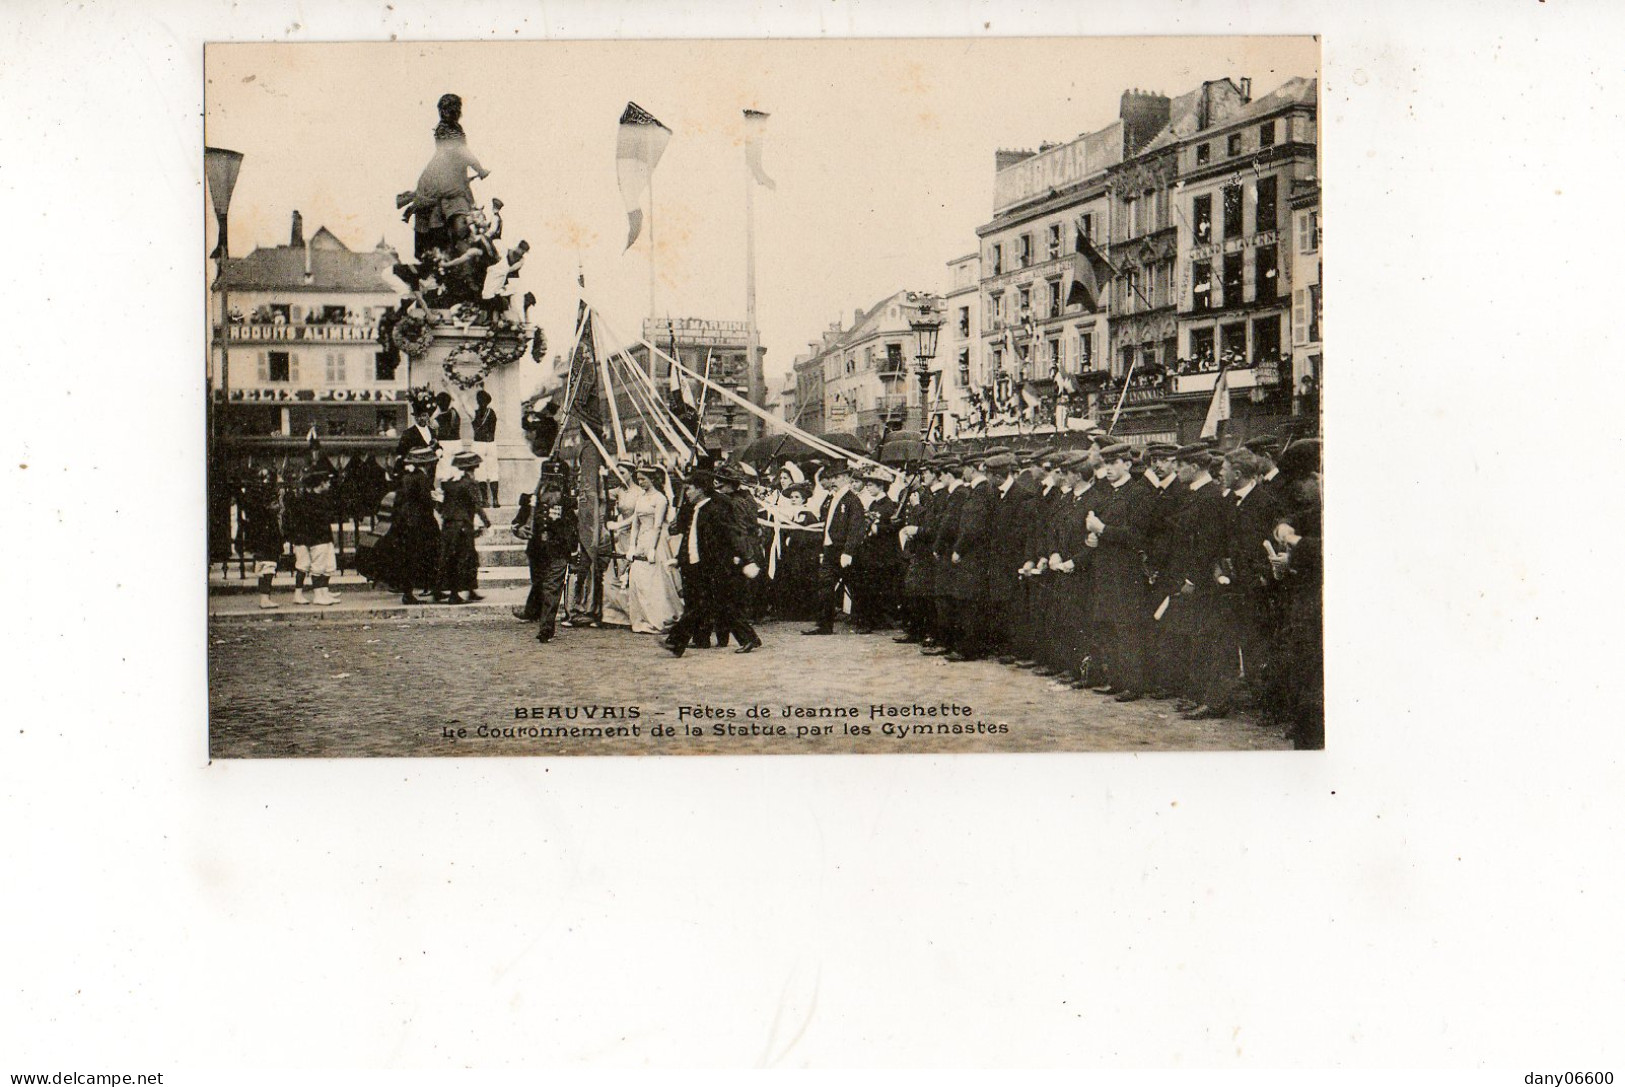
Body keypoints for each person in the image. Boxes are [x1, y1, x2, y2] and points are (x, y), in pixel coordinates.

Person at [1083, 443, 1156, 701]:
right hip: (1106, 572)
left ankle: (1133, 684)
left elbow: (1137, 536)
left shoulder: (1138, 494)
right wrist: (1093, 539)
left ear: (1127, 464)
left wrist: (1102, 530)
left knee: (1127, 629)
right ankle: (1116, 680)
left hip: (1126, 574)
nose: (1110, 469)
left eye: (1115, 463)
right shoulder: (1108, 494)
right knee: (1108, 627)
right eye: (1106, 464)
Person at [664, 469, 741, 657]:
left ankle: (677, 641)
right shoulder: (695, 507)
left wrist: (740, 556)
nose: (687, 492)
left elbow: (730, 534)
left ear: (700, 488)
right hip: (697, 562)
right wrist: (681, 558)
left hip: (712, 564)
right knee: (702, 605)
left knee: (707, 605)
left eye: (689, 488)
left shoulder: (716, 507)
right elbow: (688, 535)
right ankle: (690, 640)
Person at [512, 458, 578, 643]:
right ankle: (534, 613)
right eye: (548, 477)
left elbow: (573, 527)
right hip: (537, 550)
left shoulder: (568, 502)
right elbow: (517, 523)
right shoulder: (530, 500)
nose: (552, 483)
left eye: (556, 478)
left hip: (558, 550)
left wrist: (573, 551)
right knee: (540, 583)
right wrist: (519, 529)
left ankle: (546, 628)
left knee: (552, 588)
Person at [803, 462, 864, 636]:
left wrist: (848, 551)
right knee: (825, 585)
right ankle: (824, 624)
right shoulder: (832, 499)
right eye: (832, 478)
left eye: (837, 477)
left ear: (846, 478)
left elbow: (856, 528)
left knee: (855, 586)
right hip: (830, 549)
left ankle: (864, 621)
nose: (833, 481)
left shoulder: (853, 501)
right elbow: (827, 523)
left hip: (843, 551)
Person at [623, 464, 683, 635]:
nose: (641, 482)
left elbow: (657, 526)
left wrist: (651, 549)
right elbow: (635, 523)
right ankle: (641, 619)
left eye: (643, 479)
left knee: (655, 580)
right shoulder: (641, 498)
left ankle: (659, 618)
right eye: (639, 479)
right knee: (638, 580)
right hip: (642, 538)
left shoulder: (660, 499)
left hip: (655, 541)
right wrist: (632, 546)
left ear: (652, 479)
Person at [379, 447, 443, 604]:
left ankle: (417, 591)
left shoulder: (407, 477)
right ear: (427, 464)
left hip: (406, 522)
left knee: (410, 557)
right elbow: (426, 501)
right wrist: (436, 499)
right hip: (421, 523)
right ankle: (427, 590)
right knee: (428, 555)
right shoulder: (421, 478)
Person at [434, 450, 490, 605]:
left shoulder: (450, 482)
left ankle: (457, 590)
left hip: (449, 525)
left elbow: (440, 505)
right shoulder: (470, 484)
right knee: (465, 558)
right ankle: (456, 594)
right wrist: (487, 522)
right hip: (463, 526)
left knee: (450, 557)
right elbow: (477, 505)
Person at [286, 467, 341, 606]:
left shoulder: (318, 498)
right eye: (327, 482)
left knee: (326, 565)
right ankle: (318, 595)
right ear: (321, 483)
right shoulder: (309, 500)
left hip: (322, 536)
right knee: (315, 566)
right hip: (317, 537)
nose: (329, 485)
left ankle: (322, 593)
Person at [239, 466, 284, 610]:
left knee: (264, 565)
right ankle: (265, 598)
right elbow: (271, 509)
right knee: (269, 565)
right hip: (267, 535)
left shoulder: (253, 495)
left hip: (260, 534)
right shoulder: (264, 496)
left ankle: (264, 597)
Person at [470, 390, 499, 506]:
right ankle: (495, 500)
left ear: (477, 401)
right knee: (493, 471)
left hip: (478, 444)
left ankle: (485, 500)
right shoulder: (492, 413)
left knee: (480, 472)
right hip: (491, 443)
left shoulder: (475, 413)